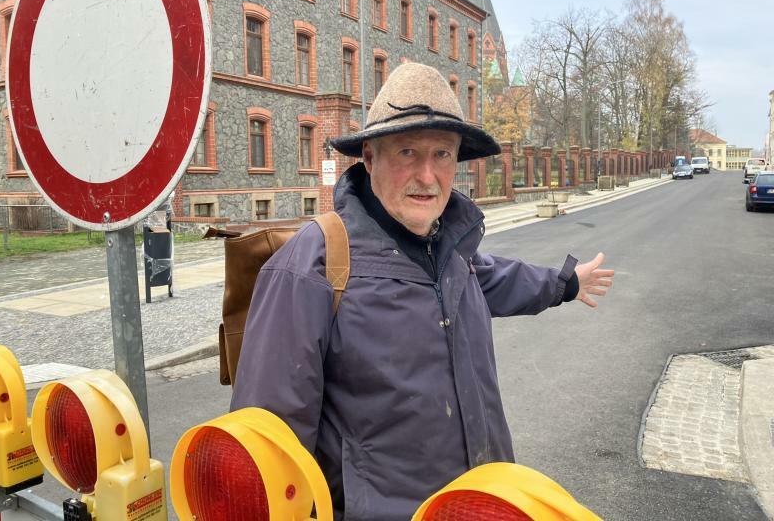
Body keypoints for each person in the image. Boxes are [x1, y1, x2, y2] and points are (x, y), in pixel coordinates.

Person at [230, 62, 614, 520]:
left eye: (443, 155)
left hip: (480, 504)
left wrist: (566, 283)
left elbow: (498, 277)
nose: (428, 177)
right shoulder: (311, 266)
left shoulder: (449, 249)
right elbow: (264, 448)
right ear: (369, 158)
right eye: (407, 152)